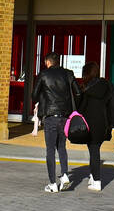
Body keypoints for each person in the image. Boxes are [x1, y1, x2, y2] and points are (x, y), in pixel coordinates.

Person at [31, 53, 79, 193]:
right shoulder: (68, 74)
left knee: (50, 150)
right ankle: (64, 174)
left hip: (50, 117)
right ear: (58, 62)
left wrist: (44, 96)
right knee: (62, 147)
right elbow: (78, 92)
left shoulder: (44, 74)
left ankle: (52, 184)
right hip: (64, 117)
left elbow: (34, 95)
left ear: (47, 62)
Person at [77, 62, 114, 191]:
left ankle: (96, 180)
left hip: (90, 124)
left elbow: (81, 107)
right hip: (104, 124)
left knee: (94, 151)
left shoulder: (86, 89)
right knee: (94, 150)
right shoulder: (106, 86)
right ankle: (93, 176)